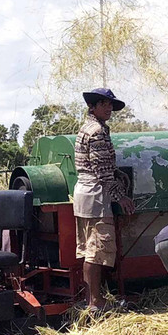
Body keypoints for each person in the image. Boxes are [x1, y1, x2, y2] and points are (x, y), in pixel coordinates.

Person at [72, 88, 135, 312]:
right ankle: (96, 301)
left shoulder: (87, 128)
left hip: (84, 193)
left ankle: (92, 300)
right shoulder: (97, 131)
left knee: (91, 250)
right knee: (97, 250)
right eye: (104, 104)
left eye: (110, 105)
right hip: (96, 196)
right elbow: (102, 171)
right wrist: (121, 197)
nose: (108, 109)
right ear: (93, 106)